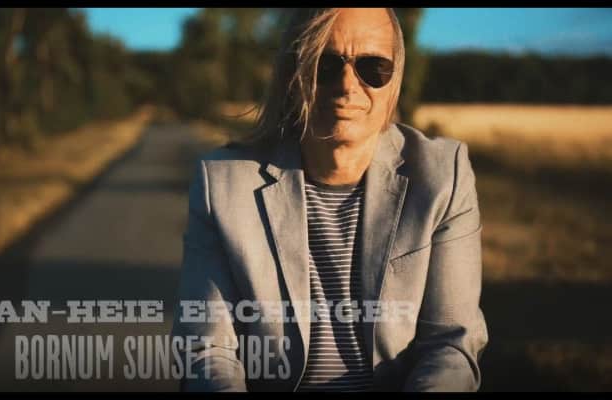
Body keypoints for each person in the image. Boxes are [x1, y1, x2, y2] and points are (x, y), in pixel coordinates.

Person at [170, 8, 488, 392]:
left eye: (373, 68)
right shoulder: (222, 184)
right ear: (294, 74)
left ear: (396, 83)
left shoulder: (443, 177)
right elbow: (208, 348)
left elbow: (450, 344)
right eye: (326, 64)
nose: (347, 85)